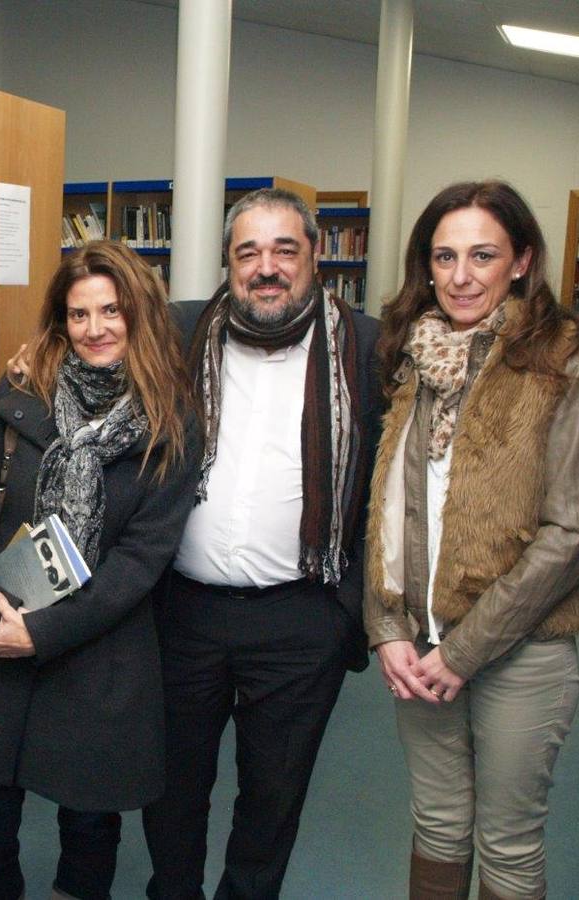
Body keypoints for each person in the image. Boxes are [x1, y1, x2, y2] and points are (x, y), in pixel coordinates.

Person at [0, 240, 201, 900]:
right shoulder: (22, 393)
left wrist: (43, 635)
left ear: (138, 315)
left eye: (111, 311)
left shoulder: (172, 424)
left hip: (96, 654)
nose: (95, 328)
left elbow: (140, 561)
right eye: (78, 314)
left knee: (87, 830)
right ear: (60, 320)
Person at [363, 180, 579, 900]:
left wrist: (463, 653)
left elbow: (572, 531)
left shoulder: (561, 357)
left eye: (481, 255)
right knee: (436, 824)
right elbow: (385, 506)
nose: (460, 276)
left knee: (506, 841)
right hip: (417, 645)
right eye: (443, 257)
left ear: (521, 260)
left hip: (520, 650)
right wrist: (386, 628)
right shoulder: (408, 354)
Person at [142, 187, 382, 899]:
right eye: (248, 252)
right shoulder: (179, 334)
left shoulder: (366, 348)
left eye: (285, 249)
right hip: (182, 612)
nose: (266, 267)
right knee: (171, 786)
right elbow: (82, 345)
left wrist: (349, 613)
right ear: (227, 261)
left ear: (315, 258)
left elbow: (389, 488)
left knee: (272, 797)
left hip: (302, 619)